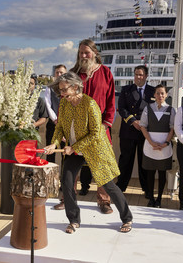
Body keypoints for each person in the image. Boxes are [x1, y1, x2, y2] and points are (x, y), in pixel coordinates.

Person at [44, 72, 133, 233]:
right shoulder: (64, 104)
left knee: (109, 186)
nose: (61, 94)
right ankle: (74, 220)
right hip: (75, 151)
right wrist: (54, 143)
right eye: (60, 91)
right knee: (67, 181)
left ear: (76, 87)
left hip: (95, 150)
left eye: (64, 90)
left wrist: (74, 147)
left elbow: (95, 134)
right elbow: (60, 128)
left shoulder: (90, 104)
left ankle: (127, 218)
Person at [69, 39, 116, 214]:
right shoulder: (73, 74)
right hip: (76, 128)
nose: (83, 56)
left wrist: (105, 125)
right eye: (80, 52)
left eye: (86, 52)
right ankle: (68, 197)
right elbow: (65, 102)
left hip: (100, 129)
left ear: (95, 53)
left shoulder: (106, 73)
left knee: (101, 166)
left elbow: (111, 101)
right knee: (72, 166)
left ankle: (104, 201)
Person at [116, 65, 155, 197]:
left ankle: (147, 189)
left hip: (145, 132)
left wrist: (142, 123)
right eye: (136, 74)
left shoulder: (153, 91)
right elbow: (121, 108)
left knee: (144, 161)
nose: (138, 77)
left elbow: (154, 110)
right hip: (129, 130)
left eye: (141, 75)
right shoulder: (126, 90)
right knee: (125, 161)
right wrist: (133, 120)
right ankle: (120, 187)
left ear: (146, 76)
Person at [140, 85, 175, 208]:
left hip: (164, 146)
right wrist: (151, 142)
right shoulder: (147, 108)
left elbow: (172, 128)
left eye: (162, 93)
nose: (160, 96)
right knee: (150, 173)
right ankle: (151, 197)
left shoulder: (171, 110)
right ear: (154, 95)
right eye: (158, 93)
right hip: (150, 145)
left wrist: (165, 143)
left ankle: (159, 198)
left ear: (166, 95)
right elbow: (143, 126)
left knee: (162, 173)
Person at [44, 64, 67, 163]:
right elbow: (48, 104)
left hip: (66, 125)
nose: (59, 74)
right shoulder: (49, 88)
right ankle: (50, 177)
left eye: (61, 72)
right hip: (52, 124)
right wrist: (55, 119)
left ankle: (64, 177)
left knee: (64, 153)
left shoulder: (69, 88)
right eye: (57, 72)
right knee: (50, 152)